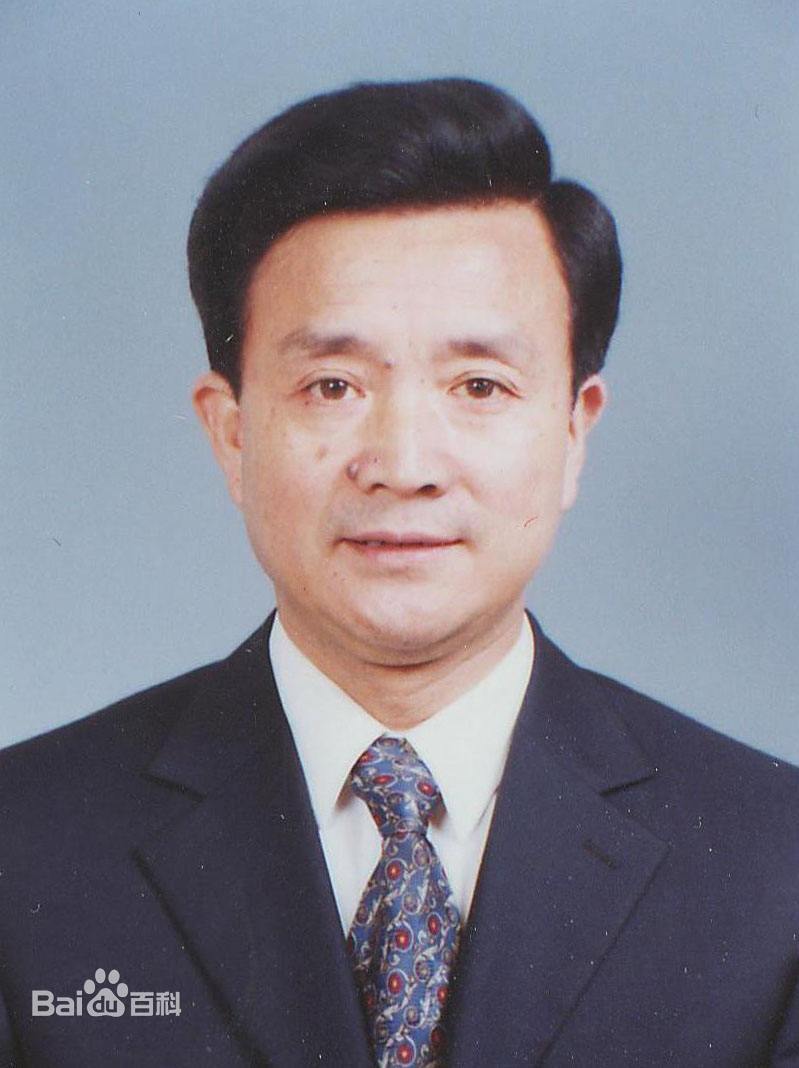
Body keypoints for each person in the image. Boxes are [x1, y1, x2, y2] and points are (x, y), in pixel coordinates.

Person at [0, 78, 797, 1068]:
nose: (405, 464)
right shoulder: (23, 843)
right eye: (332, 385)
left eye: (479, 385)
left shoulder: (774, 863)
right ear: (232, 432)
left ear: (573, 430)